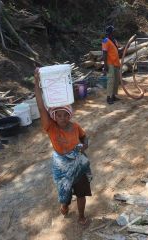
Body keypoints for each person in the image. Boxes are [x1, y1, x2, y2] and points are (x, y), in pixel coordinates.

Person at [34, 68, 92, 225]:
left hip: (78, 163)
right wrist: (36, 83)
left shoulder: (75, 126)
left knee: (81, 192)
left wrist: (84, 146)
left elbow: (84, 137)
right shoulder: (51, 127)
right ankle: (64, 206)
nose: (62, 118)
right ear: (53, 116)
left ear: (70, 115)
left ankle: (81, 216)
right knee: (64, 196)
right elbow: (41, 107)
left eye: (66, 114)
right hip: (61, 166)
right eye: (58, 115)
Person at [102, 25, 122, 105]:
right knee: (110, 81)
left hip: (116, 63)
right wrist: (105, 65)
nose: (115, 32)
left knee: (116, 81)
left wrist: (124, 48)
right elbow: (104, 53)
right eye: (113, 31)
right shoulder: (105, 41)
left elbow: (118, 51)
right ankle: (108, 97)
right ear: (110, 32)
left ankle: (113, 96)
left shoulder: (114, 41)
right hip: (110, 64)